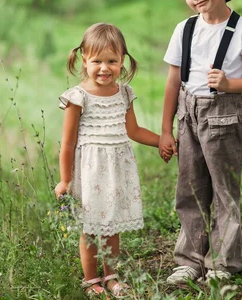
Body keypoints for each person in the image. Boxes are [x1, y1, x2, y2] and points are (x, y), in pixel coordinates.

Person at [159, 0, 242, 285]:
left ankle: (222, 263)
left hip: (224, 113)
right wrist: (166, 129)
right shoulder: (185, 29)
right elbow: (172, 80)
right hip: (188, 113)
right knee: (190, 188)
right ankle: (190, 260)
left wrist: (229, 83)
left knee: (224, 190)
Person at [55, 23, 172, 298]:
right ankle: (90, 279)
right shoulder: (78, 97)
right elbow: (68, 143)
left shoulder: (124, 94)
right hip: (90, 172)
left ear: (123, 61)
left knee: (112, 226)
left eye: (112, 61)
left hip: (117, 172)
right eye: (97, 61)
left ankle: (111, 276)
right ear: (84, 60)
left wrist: (163, 140)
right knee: (90, 230)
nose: (104, 68)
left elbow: (134, 131)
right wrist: (65, 180)